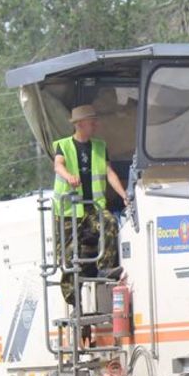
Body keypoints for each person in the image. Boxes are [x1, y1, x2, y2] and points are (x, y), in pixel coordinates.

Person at [52, 105, 129, 307]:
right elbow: (58, 165)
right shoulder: (64, 145)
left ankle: (104, 268)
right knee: (70, 255)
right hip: (69, 212)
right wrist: (69, 176)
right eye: (91, 121)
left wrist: (124, 195)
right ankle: (72, 296)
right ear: (79, 124)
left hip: (92, 208)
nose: (95, 124)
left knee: (109, 223)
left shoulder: (99, 146)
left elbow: (109, 173)